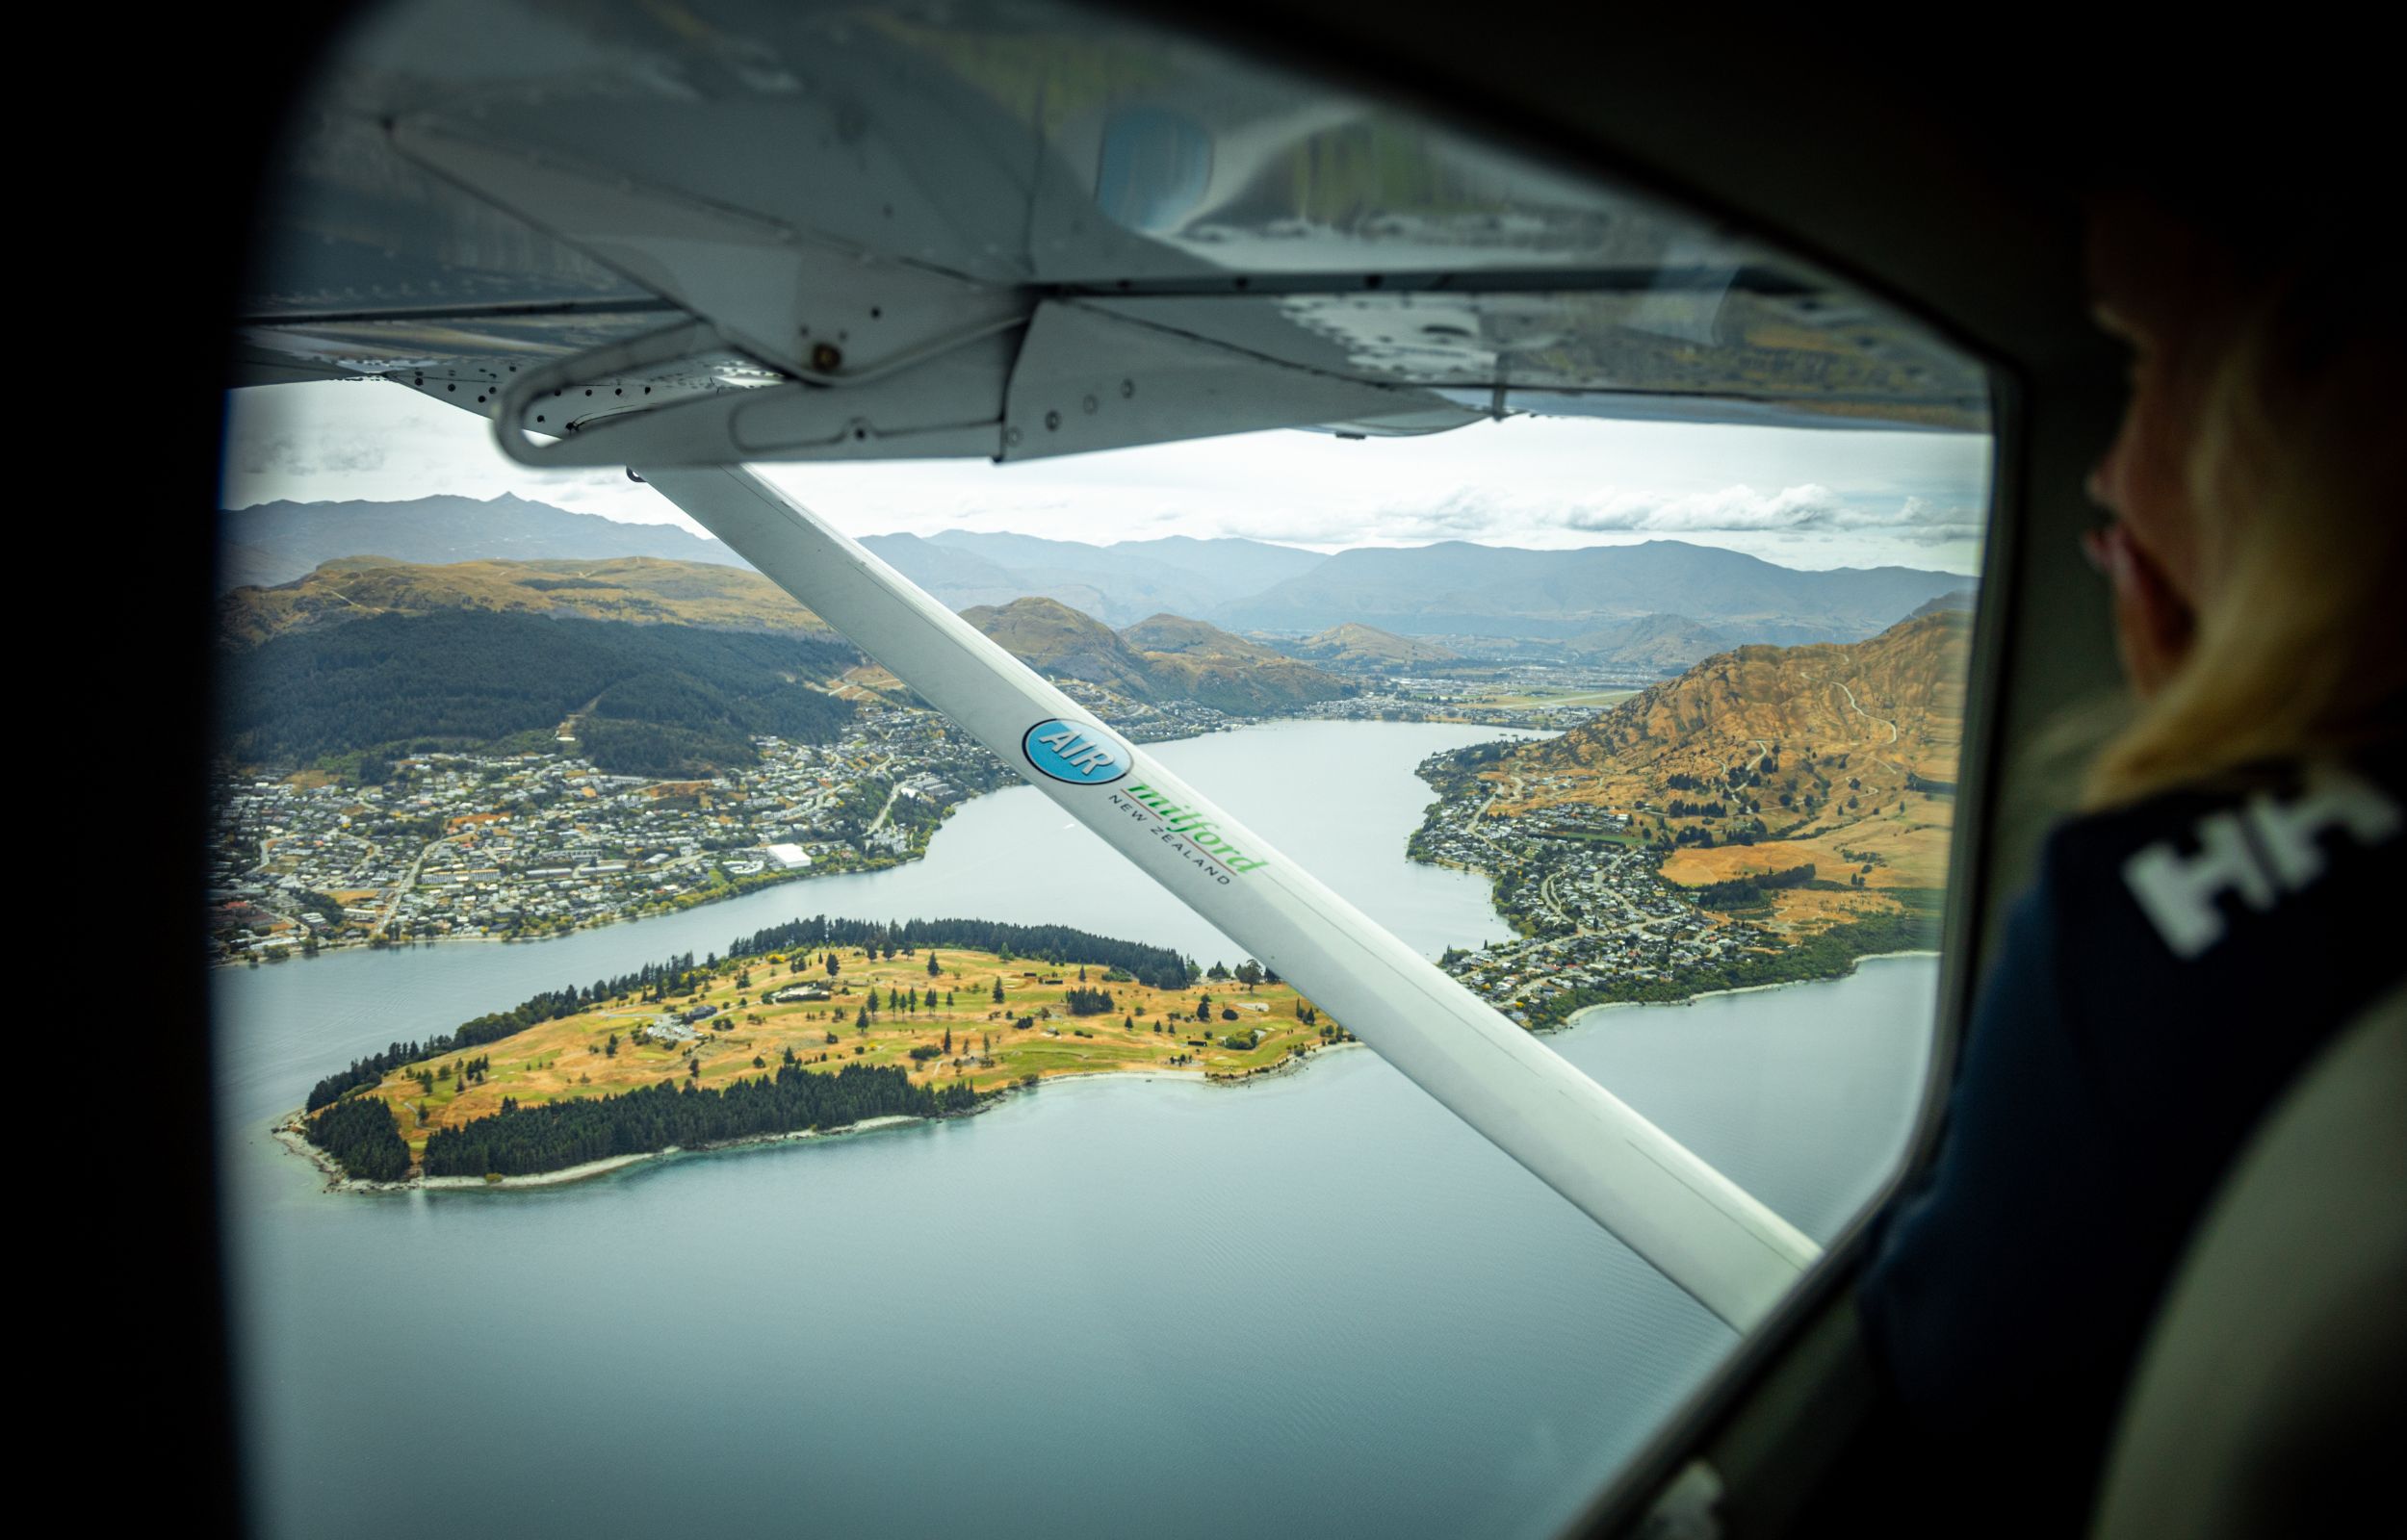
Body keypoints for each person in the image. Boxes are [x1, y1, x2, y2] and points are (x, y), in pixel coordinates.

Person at [1851, 188, 2404, 1532]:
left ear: (2297, 435)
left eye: (2149, 366)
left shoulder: (2158, 905)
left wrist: (2198, 752)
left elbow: (1944, 1367)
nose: (2102, 476)